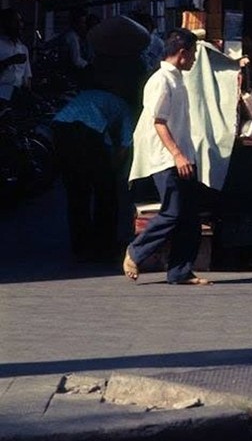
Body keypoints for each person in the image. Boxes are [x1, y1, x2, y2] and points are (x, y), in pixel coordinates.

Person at [123, 28, 212, 286]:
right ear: (182, 54)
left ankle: (180, 271)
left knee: (189, 215)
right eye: (193, 54)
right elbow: (158, 122)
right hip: (165, 156)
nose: (194, 60)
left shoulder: (177, 78)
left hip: (181, 154)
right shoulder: (161, 80)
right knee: (172, 211)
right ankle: (136, 251)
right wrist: (176, 154)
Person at [52, 87, 134, 262]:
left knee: (77, 190)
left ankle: (80, 244)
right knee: (106, 192)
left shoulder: (99, 97)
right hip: (86, 131)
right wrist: (116, 172)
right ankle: (104, 244)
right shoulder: (126, 110)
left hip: (60, 127)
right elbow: (124, 147)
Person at [0, 8, 32, 100]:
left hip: (17, 97)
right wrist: (9, 61)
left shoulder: (23, 48)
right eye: (14, 21)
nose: (19, 25)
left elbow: (27, 76)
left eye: (20, 21)